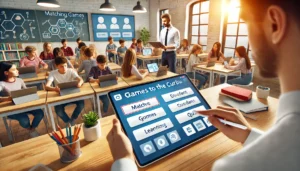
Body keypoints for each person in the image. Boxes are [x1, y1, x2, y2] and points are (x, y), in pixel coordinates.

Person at [106, 0, 300, 170]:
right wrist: (250, 136)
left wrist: (124, 161)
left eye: (246, 21)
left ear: (275, 24)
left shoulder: (236, 167)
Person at [0, 62, 44, 138]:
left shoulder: (19, 80)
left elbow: (26, 91)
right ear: (6, 72)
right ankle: (30, 129)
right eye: (14, 69)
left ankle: (32, 129)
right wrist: (7, 99)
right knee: (24, 119)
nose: (17, 70)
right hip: (11, 108)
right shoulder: (1, 83)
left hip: (24, 104)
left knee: (40, 113)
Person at [45, 57, 84, 126]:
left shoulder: (71, 71)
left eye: (65, 65)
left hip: (72, 93)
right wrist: (54, 89)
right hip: (60, 95)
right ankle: (68, 121)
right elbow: (47, 86)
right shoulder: (52, 73)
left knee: (81, 104)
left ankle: (73, 119)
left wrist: (79, 83)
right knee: (58, 110)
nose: (64, 68)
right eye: (61, 66)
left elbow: (81, 79)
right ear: (56, 66)